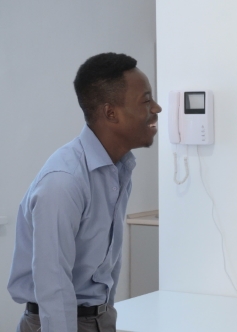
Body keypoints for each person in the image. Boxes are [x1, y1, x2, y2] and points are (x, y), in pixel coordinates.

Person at [7, 52, 161, 332]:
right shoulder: (65, 181)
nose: (157, 108)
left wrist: (105, 316)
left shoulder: (118, 169)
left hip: (97, 319)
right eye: (146, 100)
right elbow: (53, 286)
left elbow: (105, 269)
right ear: (110, 112)